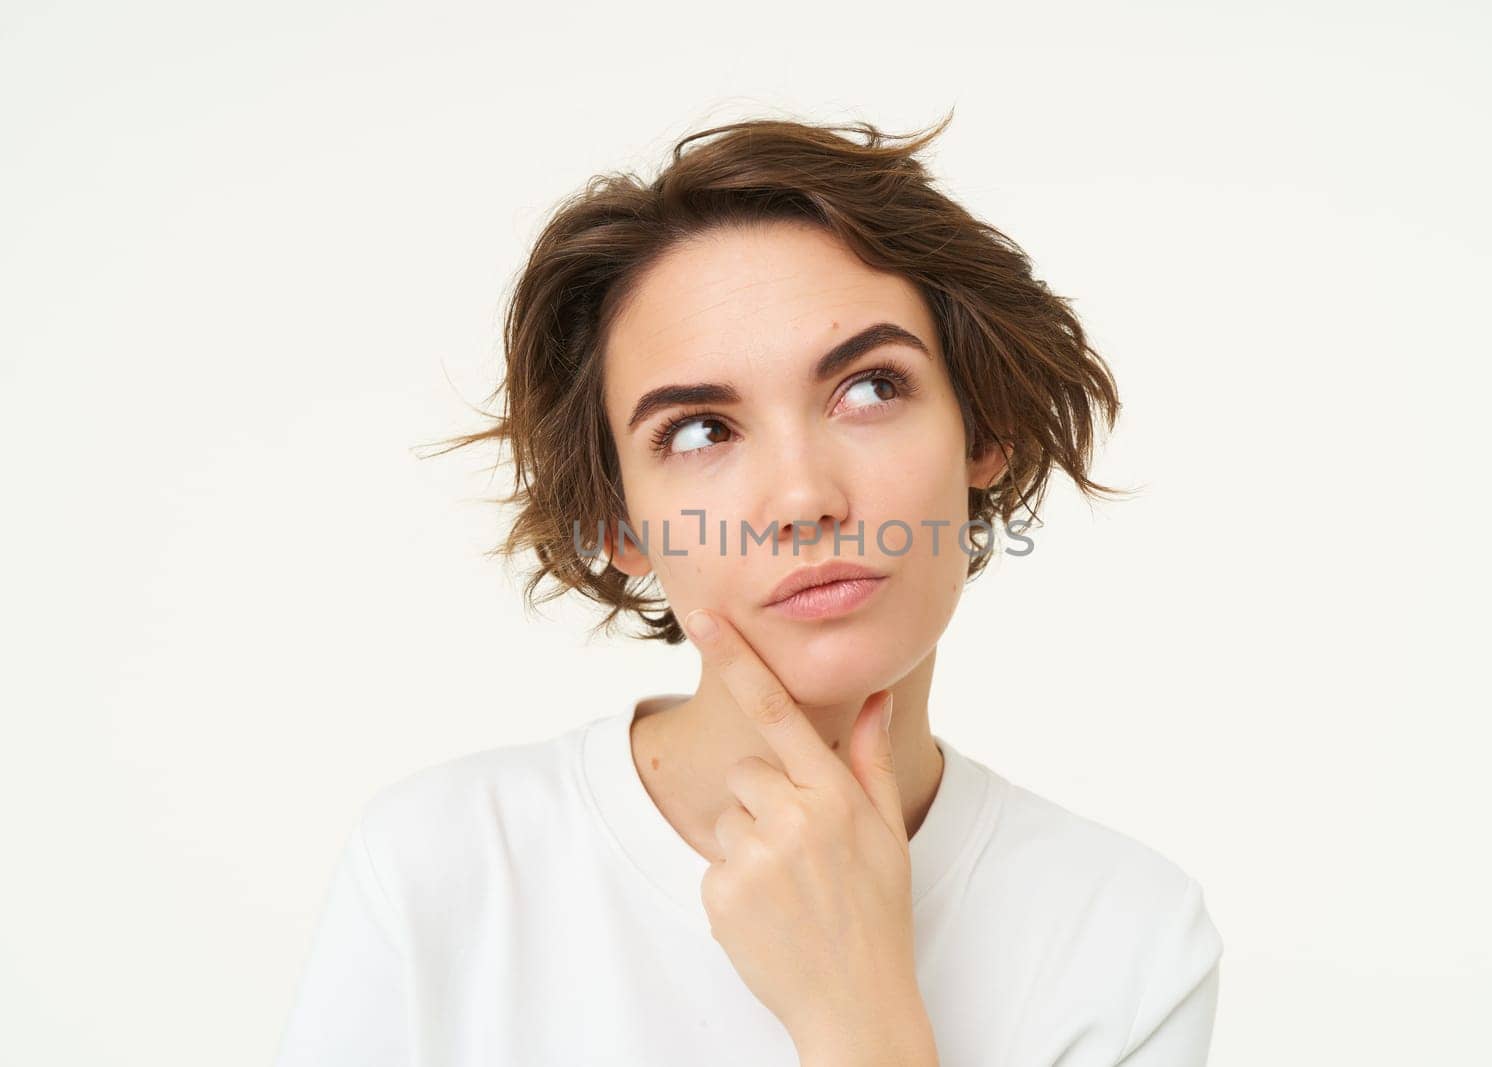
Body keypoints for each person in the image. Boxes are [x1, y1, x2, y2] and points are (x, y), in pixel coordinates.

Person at [272, 111, 1223, 1066]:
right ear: (619, 522)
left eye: (871, 389)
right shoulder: (444, 869)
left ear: (982, 432)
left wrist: (861, 1017)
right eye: (699, 432)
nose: (804, 498)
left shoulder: (1128, 936)